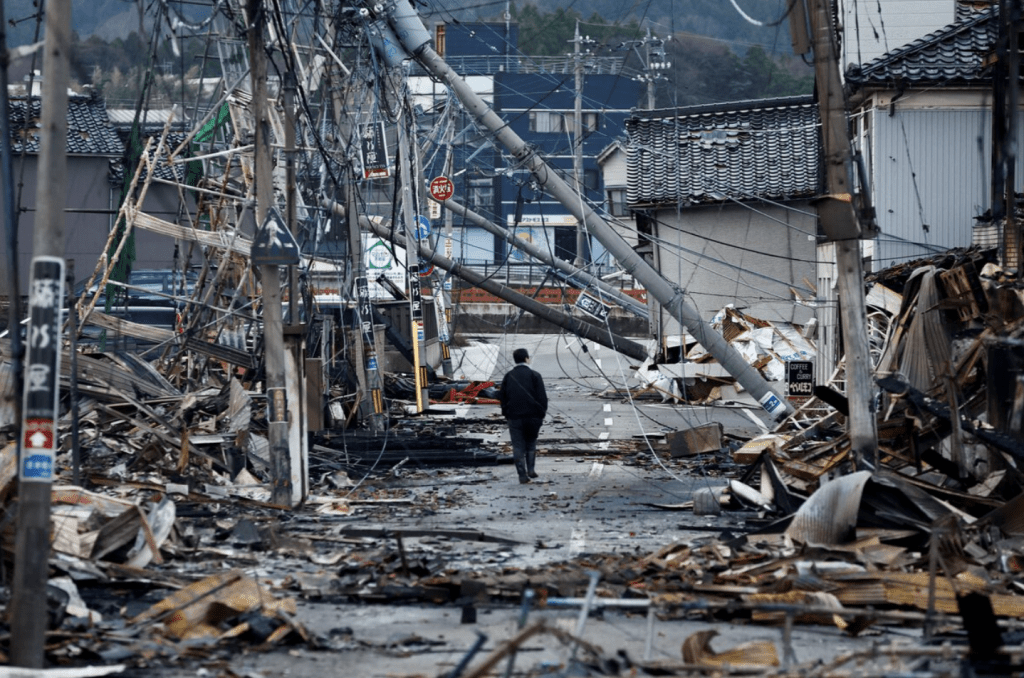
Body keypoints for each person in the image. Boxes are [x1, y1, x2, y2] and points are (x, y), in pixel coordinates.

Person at [500, 347, 547, 483]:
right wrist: (541, 414)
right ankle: (531, 470)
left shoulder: (509, 376)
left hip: (514, 417)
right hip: (533, 417)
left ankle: (522, 475)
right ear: (527, 359)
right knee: (531, 443)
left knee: (518, 445)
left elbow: (502, 397)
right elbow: (542, 398)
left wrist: (506, 413)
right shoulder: (535, 375)